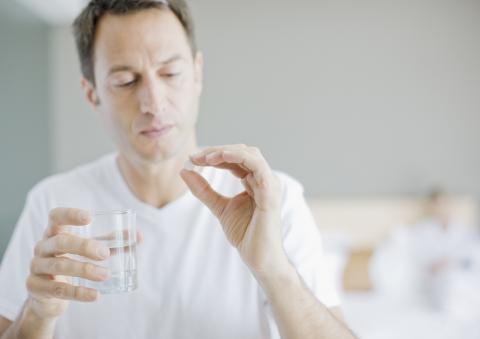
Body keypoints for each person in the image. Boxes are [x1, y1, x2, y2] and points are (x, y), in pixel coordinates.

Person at [0, 1, 356, 338]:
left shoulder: (274, 201)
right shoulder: (53, 204)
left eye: (170, 73)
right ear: (92, 93)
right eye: (126, 80)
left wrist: (275, 271)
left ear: (197, 73)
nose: (153, 102)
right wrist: (37, 313)